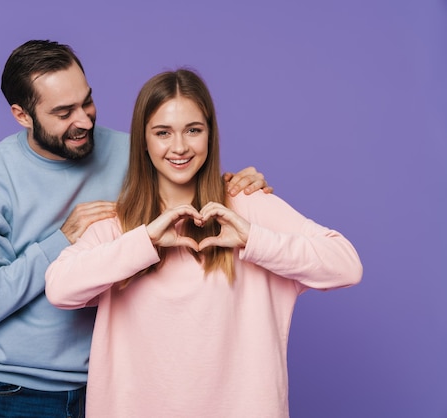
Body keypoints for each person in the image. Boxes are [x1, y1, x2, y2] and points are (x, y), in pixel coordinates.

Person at [0, 40, 271, 418]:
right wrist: (61, 240)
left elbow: (186, 183)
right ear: (22, 115)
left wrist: (238, 185)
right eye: (64, 112)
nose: (83, 120)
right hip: (24, 391)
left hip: (122, 384)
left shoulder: (131, 152)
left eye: (87, 102)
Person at [45, 68, 363, 417]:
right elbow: (60, 288)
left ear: (210, 135)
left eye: (193, 130)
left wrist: (252, 240)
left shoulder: (248, 205)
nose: (179, 147)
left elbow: (346, 265)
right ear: (143, 141)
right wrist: (146, 241)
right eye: (163, 132)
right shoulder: (119, 226)